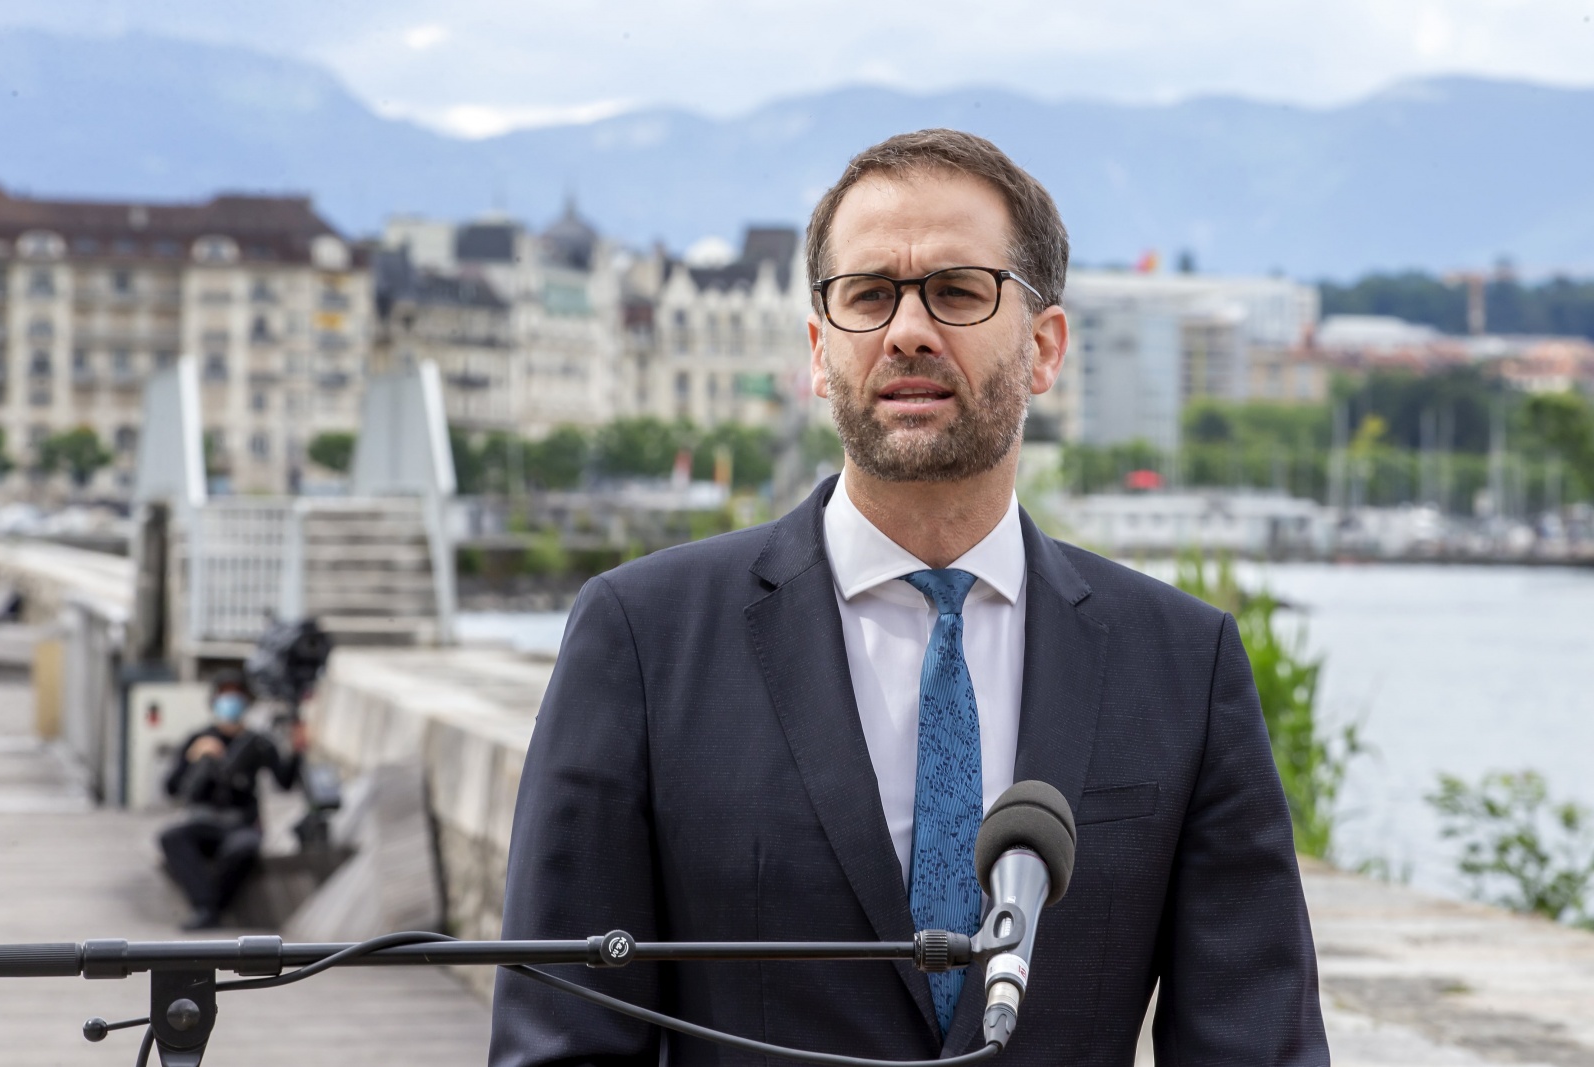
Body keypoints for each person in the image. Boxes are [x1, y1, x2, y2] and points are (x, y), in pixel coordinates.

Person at [490, 129, 1328, 1066]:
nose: (909, 329)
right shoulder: (643, 640)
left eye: (959, 291)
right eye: (870, 294)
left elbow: (1255, 1039)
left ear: (1046, 347)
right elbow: (562, 1035)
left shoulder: (1181, 661)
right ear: (819, 348)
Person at [159, 670, 306, 930]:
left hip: (241, 823)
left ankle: (209, 909)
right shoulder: (199, 738)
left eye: (237, 696)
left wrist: (297, 751)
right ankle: (207, 907)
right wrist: (194, 758)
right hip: (202, 821)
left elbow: (284, 782)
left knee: (243, 848)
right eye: (225, 696)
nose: (231, 702)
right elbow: (171, 788)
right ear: (214, 700)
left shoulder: (257, 743)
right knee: (171, 838)